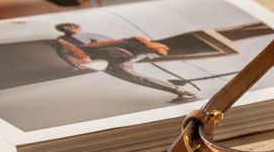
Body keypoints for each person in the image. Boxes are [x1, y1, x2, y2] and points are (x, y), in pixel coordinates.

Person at [53, 22, 197, 103]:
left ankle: (181, 91)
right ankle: (181, 91)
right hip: (112, 61)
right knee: (134, 77)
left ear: (77, 27)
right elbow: (66, 52)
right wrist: (76, 62)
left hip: (120, 55)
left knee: (137, 75)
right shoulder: (63, 41)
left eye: (71, 26)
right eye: (65, 28)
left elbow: (114, 42)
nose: (68, 29)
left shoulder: (93, 36)